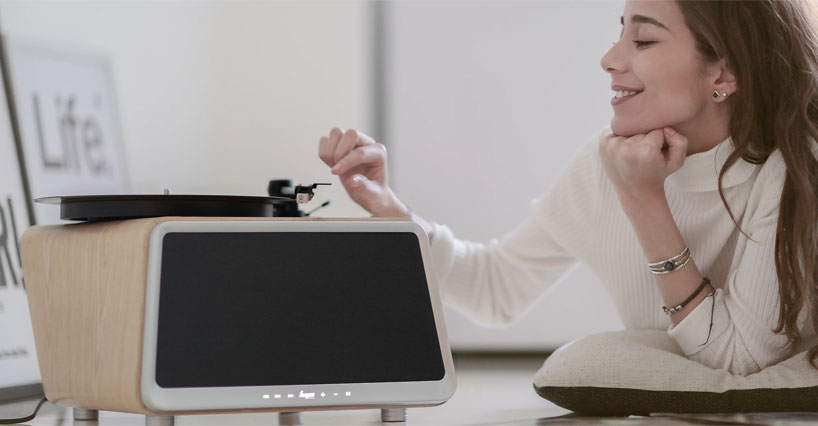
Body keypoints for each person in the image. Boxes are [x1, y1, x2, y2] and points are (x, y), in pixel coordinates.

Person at [317, 0, 818, 376]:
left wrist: (644, 200)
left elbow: (738, 359)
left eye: (643, 41)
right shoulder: (606, 165)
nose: (610, 59)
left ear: (724, 71)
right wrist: (389, 209)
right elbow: (496, 289)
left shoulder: (793, 168)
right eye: (619, 34)